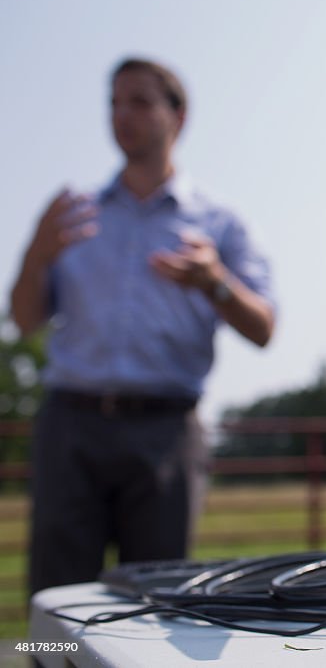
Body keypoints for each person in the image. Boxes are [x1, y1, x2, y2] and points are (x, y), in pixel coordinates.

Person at [9, 58, 276, 595]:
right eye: (113, 101)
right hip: (72, 426)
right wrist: (36, 256)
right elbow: (24, 321)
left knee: (152, 602)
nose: (120, 114)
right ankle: (47, 655)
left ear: (178, 116)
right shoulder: (72, 215)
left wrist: (214, 282)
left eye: (138, 101)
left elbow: (265, 328)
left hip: (166, 433)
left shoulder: (218, 222)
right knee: (56, 598)